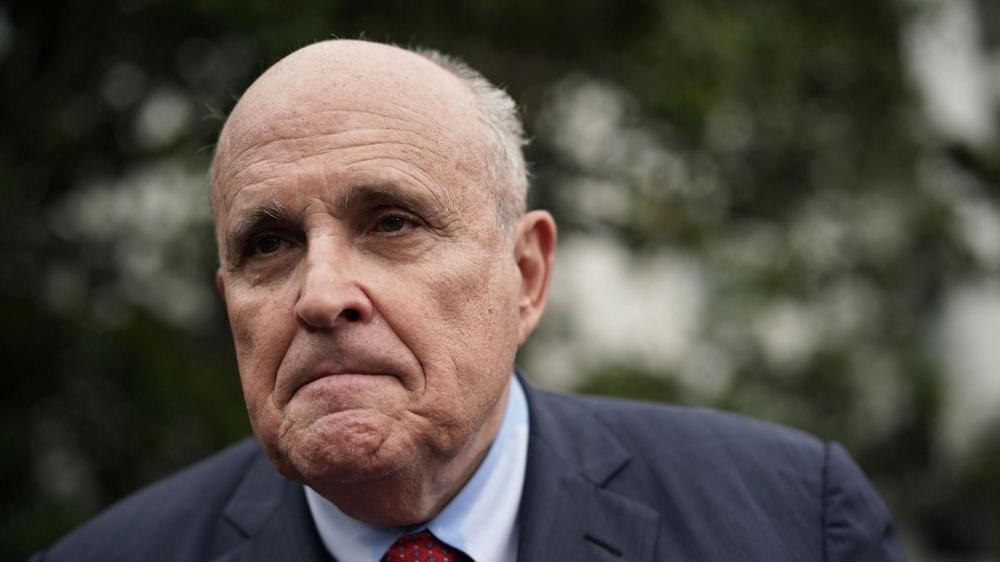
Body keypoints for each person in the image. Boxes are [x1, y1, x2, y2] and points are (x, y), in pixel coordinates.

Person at [32, 40, 907, 562]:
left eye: (392, 223)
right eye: (269, 245)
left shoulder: (794, 522)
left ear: (526, 275)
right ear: (229, 298)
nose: (321, 294)